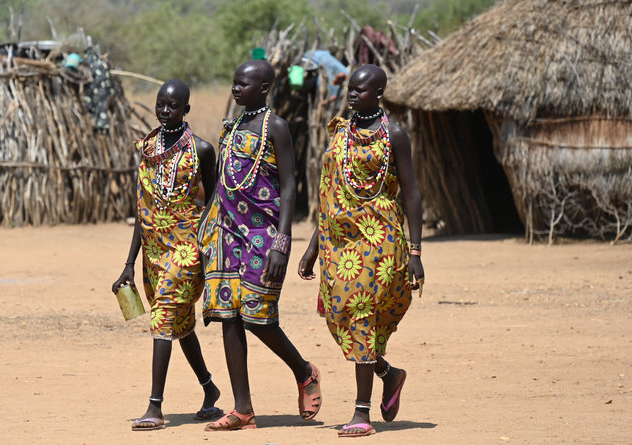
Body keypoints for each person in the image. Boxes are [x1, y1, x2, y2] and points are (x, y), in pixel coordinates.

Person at [298, 64, 425, 438]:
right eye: (350, 89)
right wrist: (313, 248)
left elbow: (413, 194)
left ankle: (361, 412)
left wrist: (415, 252)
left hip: (378, 243)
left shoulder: (394, 136)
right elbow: (327, 195)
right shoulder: (340, 133)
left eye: (360, 90)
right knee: (339, 321)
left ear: (379, 93)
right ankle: (389, 374)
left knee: (362, 319)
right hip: (338, 246)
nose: (352, 95)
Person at [198, 59, 322, 431]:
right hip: (224, 232)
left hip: (264, 235)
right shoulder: (230, 126)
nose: (236, 89)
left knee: (258, 316)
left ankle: (304, 371)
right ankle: (242, 409)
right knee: (227, 315)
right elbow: (223, 180)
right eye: (234, 83)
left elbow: (288, 188)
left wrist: (283, 242)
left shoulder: (277, 128)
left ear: (264, 88)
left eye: (243, 84)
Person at [111, 79, 222, 431]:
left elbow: (216, 203)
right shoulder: (147, 148)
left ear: (186, 110)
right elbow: (142, 212)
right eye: (160, 103)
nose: (164, 110)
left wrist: (207, 246)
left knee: (163, 320)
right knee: (180, 324)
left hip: (188, 251)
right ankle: (210, 388)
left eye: (172, 105)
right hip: (154, 251)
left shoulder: (202, 150)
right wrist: (129, 263)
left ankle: (154, 407)